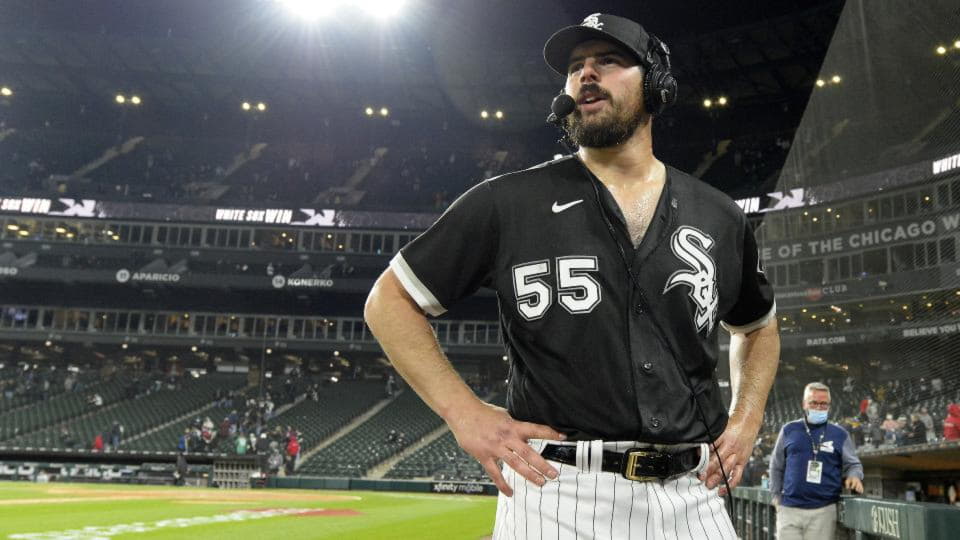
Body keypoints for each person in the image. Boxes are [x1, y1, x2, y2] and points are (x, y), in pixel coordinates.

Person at [364, 12, 780, 539]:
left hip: (692, 494)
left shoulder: (719, 214)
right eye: (575, 67)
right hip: (557, 492)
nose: (586, 74)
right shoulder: (506, 202)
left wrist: (746, 420)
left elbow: (758, 326)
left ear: (656, 83)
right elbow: (390, 300)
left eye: (608, 61)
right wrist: (464, 413)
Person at [769, 382, 864, 540]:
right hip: (789, 510)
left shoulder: (840, 434)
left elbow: (853, 464)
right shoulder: (788, 430)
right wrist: (775, 496)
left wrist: (854, 475)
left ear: (829, 406)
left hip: (823, 512)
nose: (819, 407)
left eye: (823, 403)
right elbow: (776, 465)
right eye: (814, 402)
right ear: (804, 404)